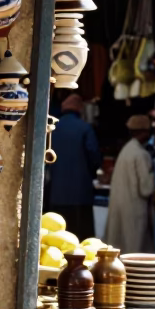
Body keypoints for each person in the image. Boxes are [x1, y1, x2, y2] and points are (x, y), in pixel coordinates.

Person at [45, 93, 101, 242]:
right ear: (80, 109)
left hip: (56, 194)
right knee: (82, 240)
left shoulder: (52, 129)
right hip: (80, 195)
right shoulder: (85, 129)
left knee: (58, 238)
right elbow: (94, 158)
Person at [104, 114, 155, 255]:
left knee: (119, 250)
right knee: (134, 252)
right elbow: (146, 189)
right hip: (134, 209)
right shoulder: (141, 154)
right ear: (144, 132)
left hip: (120, 207)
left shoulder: (126, 150)